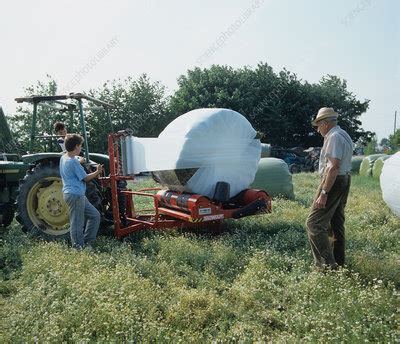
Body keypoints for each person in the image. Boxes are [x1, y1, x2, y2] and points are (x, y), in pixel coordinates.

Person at [306, 107, 354, 270]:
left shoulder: (333, 136)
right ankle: (339, 263)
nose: (317, 129)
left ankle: (326, 265)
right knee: (335, 223)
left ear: (325, 123)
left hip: (334, 181)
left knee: (313, 224)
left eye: (318, 125)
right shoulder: (344, 135)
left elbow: (333, 167)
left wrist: (324, 192)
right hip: (345, 178)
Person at [60, 134, 103, 249]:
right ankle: (78, 248)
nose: (81, 148)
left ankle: (88, 242)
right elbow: (85, 178)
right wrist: (97, 172)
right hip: (75, 195)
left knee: (95, 215)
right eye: (80, 146)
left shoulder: (64, 157)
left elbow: (72, 162)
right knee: (77, 223)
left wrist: (79, 160)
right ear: (76, 147)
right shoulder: (73, 162)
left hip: (75, 194)